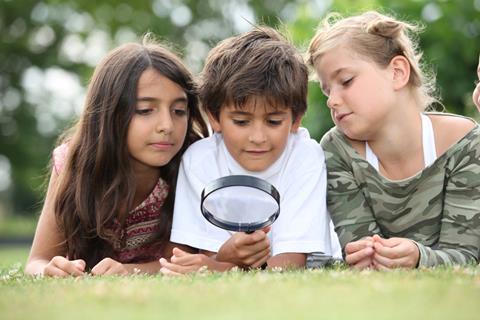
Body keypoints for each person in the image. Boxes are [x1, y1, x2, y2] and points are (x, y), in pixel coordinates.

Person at [159, 26, 341, 275]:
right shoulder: (199, 160)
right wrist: (221, 259)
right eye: (241, 122)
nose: (257, 138)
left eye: (273, 121)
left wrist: (217, 266)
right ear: (215, 117)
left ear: (296, 120)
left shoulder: (305, 156)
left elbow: (290, 265)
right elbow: (197, 254)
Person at [307, 11, 480, 269]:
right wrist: (363, 253)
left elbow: (467, 255)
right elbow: (361, 250)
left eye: (346, 81)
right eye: (327, 90)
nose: (332, 100)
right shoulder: (337, 150)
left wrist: (419, 258)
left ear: (397, 73)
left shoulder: (464, 142)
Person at [25, 36, 209, 277]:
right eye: (145, 110)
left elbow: (180, 263)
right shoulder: (73, 161)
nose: (167, 125)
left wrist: (128, 271)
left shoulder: (192, 162)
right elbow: (38, 260)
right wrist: (49, 270)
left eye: (179, 111)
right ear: (109, 113)